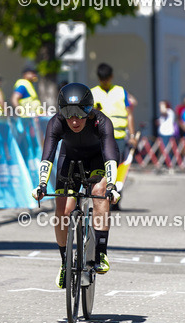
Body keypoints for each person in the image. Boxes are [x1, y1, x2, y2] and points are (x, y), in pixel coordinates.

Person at [31, 83, 121, 288]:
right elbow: (47, 157)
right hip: (69, 159)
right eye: (68, 113)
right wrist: (41, 185)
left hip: (99, 159)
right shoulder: (56, 122)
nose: (73, 120)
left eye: (79, 114)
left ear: (89, 111)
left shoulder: (101, 121)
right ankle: (65, 263)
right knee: (63, 209)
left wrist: (112, 186)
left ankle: (100, 253)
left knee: (99, 192)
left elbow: (109, 157)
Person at [90, 62, 135, 159]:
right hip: (101, 136)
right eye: (102, 79)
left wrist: (132, 136)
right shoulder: (93, 93)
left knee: (117, 164)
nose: (105, 82)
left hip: (119, 137)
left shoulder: (121, 91)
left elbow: (129, 114)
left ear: (111, 76)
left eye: (107, 79)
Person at [156, 100, 177, 168]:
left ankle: (169, 163)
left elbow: (164, 112)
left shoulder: (169, 112)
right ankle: (165, 163)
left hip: (168, 133)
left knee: (166, 149)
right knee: (162, 149)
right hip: (162, 133)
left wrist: (162, 105)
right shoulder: (161, 115)